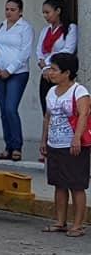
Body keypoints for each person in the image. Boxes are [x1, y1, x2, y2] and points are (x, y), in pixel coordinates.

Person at [39, 52, 89, 237]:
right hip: (55, 144)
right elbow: (48, 117)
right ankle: (60, 221)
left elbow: (84, 115)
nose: (50, 73)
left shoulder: (79, 91)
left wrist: (76, 139)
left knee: (76, 185)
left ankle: (77, 225)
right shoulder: (51, 91)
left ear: (67, 72)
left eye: (54, 69)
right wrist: (44, 140)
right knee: (59, 184)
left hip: (73, 145)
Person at [0, 0, 34, 162]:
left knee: (10, 108)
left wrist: (10, 70)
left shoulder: (25, 28)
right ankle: (8, 146)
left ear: (20, 11)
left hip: (18, 73)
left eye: (13, 10)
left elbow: (25, 53)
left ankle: (17, 146)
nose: (9, 12)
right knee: (3, 111)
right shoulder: (0, 26)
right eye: (7, 9)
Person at [36, 0, 78, 116]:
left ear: (58, 11)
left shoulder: (70, 28)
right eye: (43, 13)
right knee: (46, 110)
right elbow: (39, 51)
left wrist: (48, 62)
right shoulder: (45, 30)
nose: (45, 16)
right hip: (46, 74)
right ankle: (47, 134)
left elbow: (68, 50)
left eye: (48, 12)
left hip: (61, 72)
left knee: (61, 110)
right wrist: (45, 68)